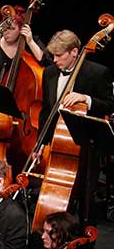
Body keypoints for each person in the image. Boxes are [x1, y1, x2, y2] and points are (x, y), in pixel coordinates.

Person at [37, 29, 114, 225]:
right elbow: (47, 110)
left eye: (59, 55)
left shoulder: (97, 72)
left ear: (74, 52)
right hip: (59, 143)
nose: (54, 60)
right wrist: (40, 144)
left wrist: (85, 99)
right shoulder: (49, 72)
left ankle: (86, 243)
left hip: (88, 146)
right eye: (52, 55)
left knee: (86, 197)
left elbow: (109, 104)